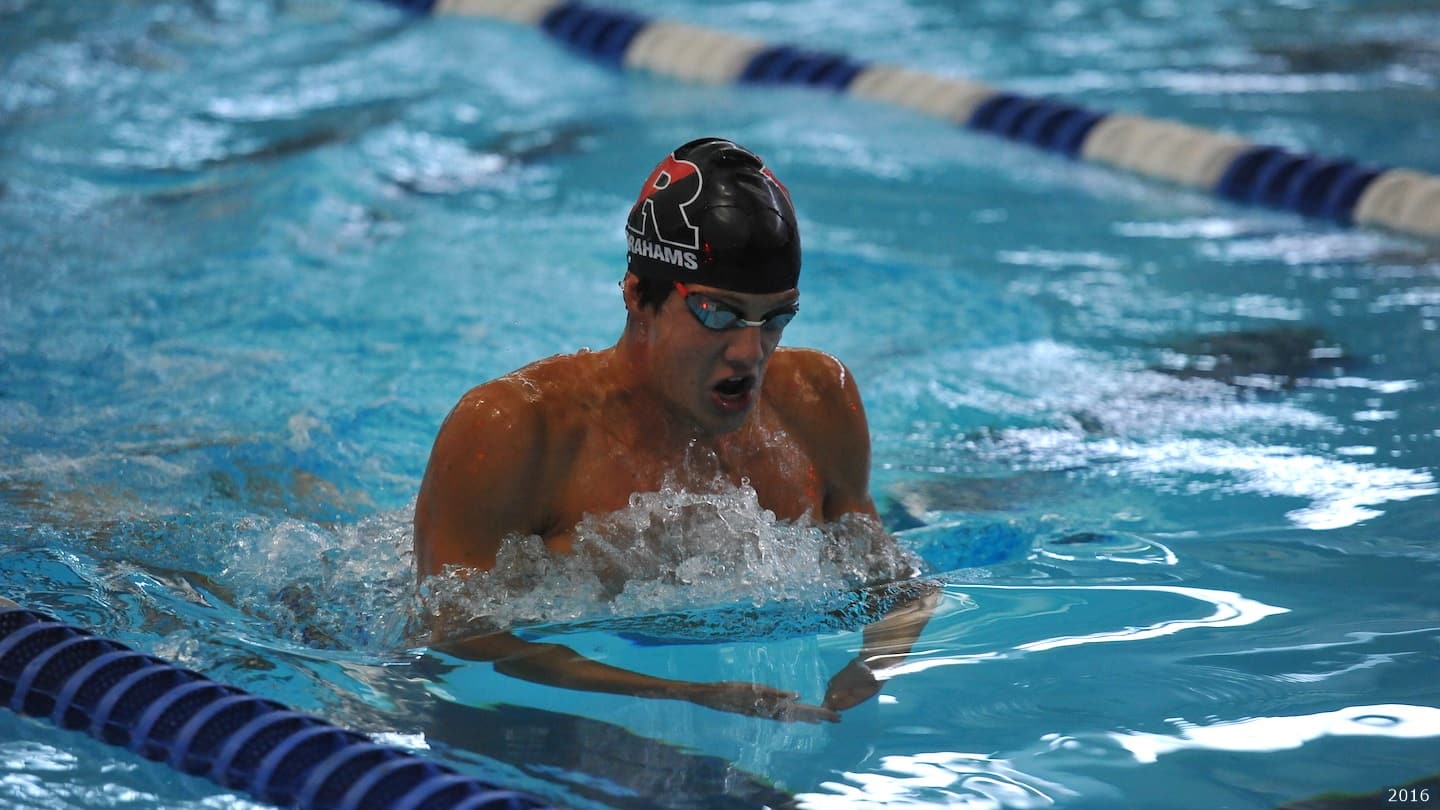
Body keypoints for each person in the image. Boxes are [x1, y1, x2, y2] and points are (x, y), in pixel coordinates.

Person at [414, 137, 936, 723]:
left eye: (776, 317)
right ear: (639, 296)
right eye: (717, 312)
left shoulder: (818, 401)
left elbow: (895, 584)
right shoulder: (515, 431)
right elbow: (457, 638)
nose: (750, 351)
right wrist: (679, 694)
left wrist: (874, 667)